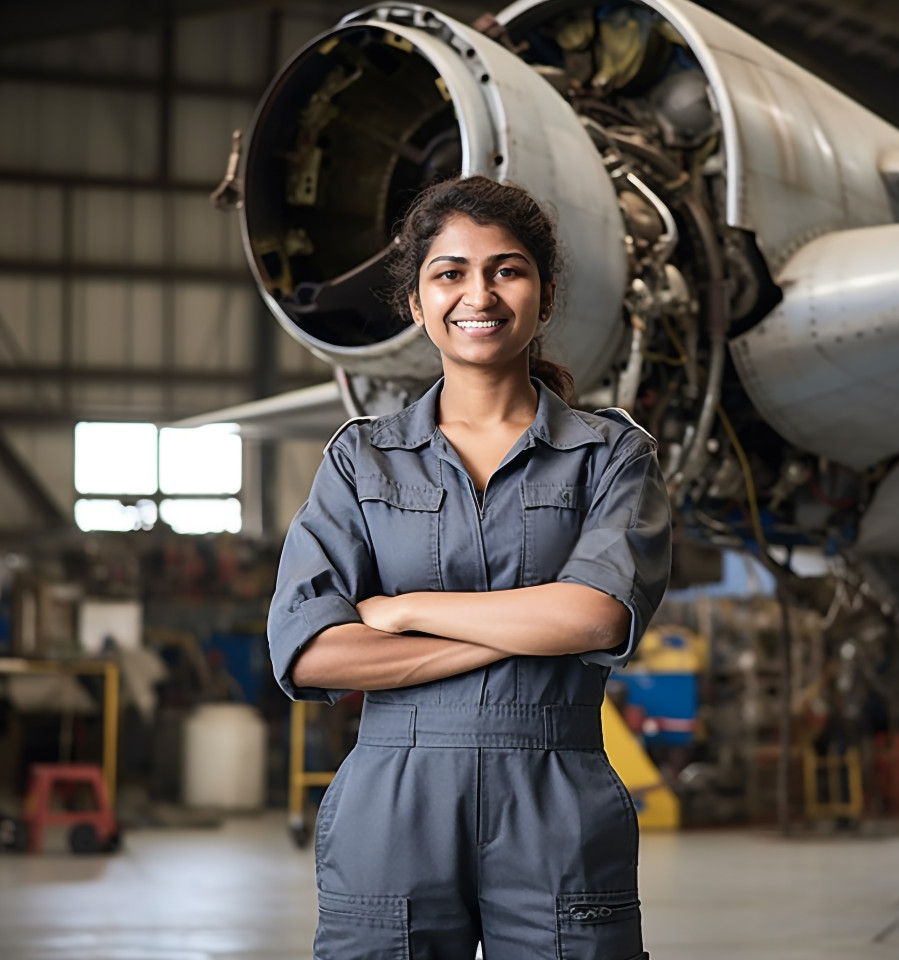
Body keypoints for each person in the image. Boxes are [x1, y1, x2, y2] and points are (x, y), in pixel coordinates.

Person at [267, 175, 672, 960]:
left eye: (506, 269)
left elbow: (598, 617)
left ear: (544, 296)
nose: (477, 293)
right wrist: (536, 626)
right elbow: (313, 650)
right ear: (416, 303)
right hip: (395, 801)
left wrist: (409, 607)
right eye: (449, 272)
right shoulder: (360, 460)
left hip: (555, 794)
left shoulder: (613, 455)